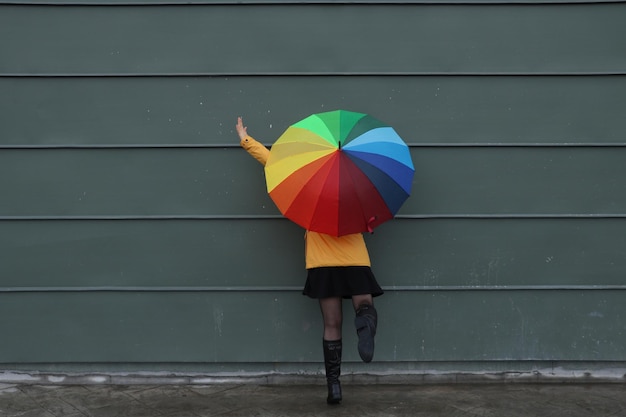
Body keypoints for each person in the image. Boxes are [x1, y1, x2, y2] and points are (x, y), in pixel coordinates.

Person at [236, 117, 383, 405]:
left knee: (332, 324)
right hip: (354, 257)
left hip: (321, 262)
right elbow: (372, 214)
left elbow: (272, 162)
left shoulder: (311, 184)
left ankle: (334, 386)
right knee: (364, 304)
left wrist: (245, 139)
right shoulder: (356, 187)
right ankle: (365, 320)